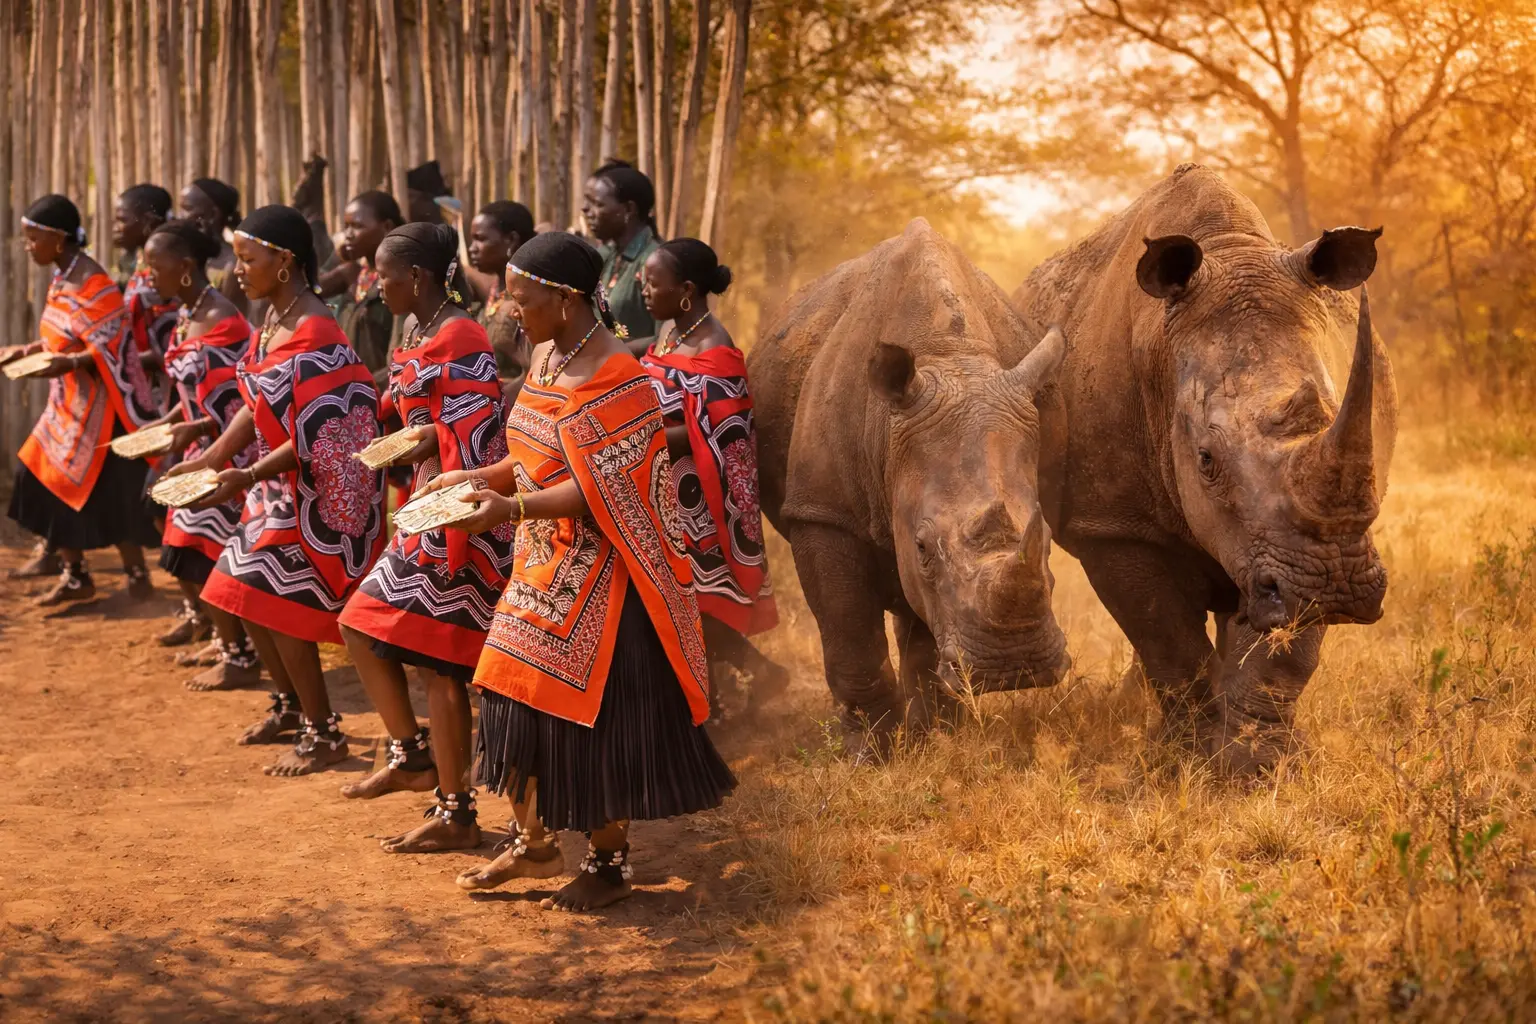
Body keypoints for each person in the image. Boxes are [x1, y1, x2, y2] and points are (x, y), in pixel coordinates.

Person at [419, 232, 735, 911]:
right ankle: (532, 841)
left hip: (607, 570)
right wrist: (472, 476)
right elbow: (531, 452)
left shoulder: (618, 376)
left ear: (565, 301)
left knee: (593, 725)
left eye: (523, 301)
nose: (511, 313)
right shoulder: (545, 354)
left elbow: (603, 489)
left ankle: (606, 861)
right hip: (542, 561)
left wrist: (511, 507)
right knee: (503, 693)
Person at [163, 205, 385, 776]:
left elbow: (318, 436)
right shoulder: (274, 319)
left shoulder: (316, 332)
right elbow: (259, 404)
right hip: (274, 486)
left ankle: (323, 732)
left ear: (284, 261)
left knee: (272, 601)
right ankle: (290, 708)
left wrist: (246, 475)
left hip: (313, 491)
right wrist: (210, 459)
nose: (237, 271)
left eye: (248, 259)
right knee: (235, 594)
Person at [335, 223, 513, 853]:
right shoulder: (416, 329)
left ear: (417, 277)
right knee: (362, 625)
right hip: (423, 507)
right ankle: (414, 757)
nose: (375, 284)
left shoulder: (462, 335)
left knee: (441, 665)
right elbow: (407, 410)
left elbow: (475, 431)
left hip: (458, 515)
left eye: (384, 274)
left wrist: (419, 451)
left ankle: (456, 810)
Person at [638, 239, 787, 708]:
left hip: (700, 501)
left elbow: (718, 432)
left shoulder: (715, 349)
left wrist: (643, 438)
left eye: (652, 283)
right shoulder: (671, 333)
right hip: (667, 491)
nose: (643, 290)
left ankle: (736, 688)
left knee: (694, 605)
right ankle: (724, 694)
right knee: (680, 603)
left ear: (685, 290)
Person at [0, 195, 162, 604]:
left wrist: (65, 365)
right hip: (67, 407)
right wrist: (26, 351)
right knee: (38, 478)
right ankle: (74, 574)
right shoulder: (62, 276)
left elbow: (112, 349)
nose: (27, 246)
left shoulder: (95, 284)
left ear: (57, 240)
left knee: (110, 500)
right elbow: (63, 336)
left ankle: (137, 576)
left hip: (103, 411)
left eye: (32, 239)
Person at [132, 220, 262, 684]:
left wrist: (196, 436)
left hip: (232, 457)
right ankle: (223, 639)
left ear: (185, 268)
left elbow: (236, 407)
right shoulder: (191, 313)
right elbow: (192, 394)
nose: (148, 278)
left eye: (155, 268)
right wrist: (168, 425)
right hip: (202, 449)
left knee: (201, 551)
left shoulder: (223, 321)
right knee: (181, 545)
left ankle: (241, 655)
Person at [580, 160, 662, 343]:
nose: (586, 210)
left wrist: (611, 352)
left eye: (598, 204)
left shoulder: (654, 261)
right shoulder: (607, 254)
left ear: (628, 209)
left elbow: (665, 339)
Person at [325, 191, 404, 376]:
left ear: (386, 226)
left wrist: (367, 388)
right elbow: (308, 290)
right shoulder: (355, 275)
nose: (348, 235)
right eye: (346, 227)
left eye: (357, 226)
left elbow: (402, 356)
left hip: (378, 393)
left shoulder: (400, 280)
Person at [463, 200, 535, 398]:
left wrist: (493, 405)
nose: (472, 248)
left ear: (511, 240)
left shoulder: (527, 297)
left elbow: (536, 372)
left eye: (480, 239)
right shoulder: (495, 289)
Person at [113, 184, 178, 369]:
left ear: (148, 221)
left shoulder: (169, 266)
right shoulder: (135, 260)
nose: (116, 228)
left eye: (122, 220)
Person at [177, 178, 248, 317]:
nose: (179, 216)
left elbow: (228, 319)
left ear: (213, 214)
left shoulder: (232, 264)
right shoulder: (184, 254)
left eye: (187, 209)